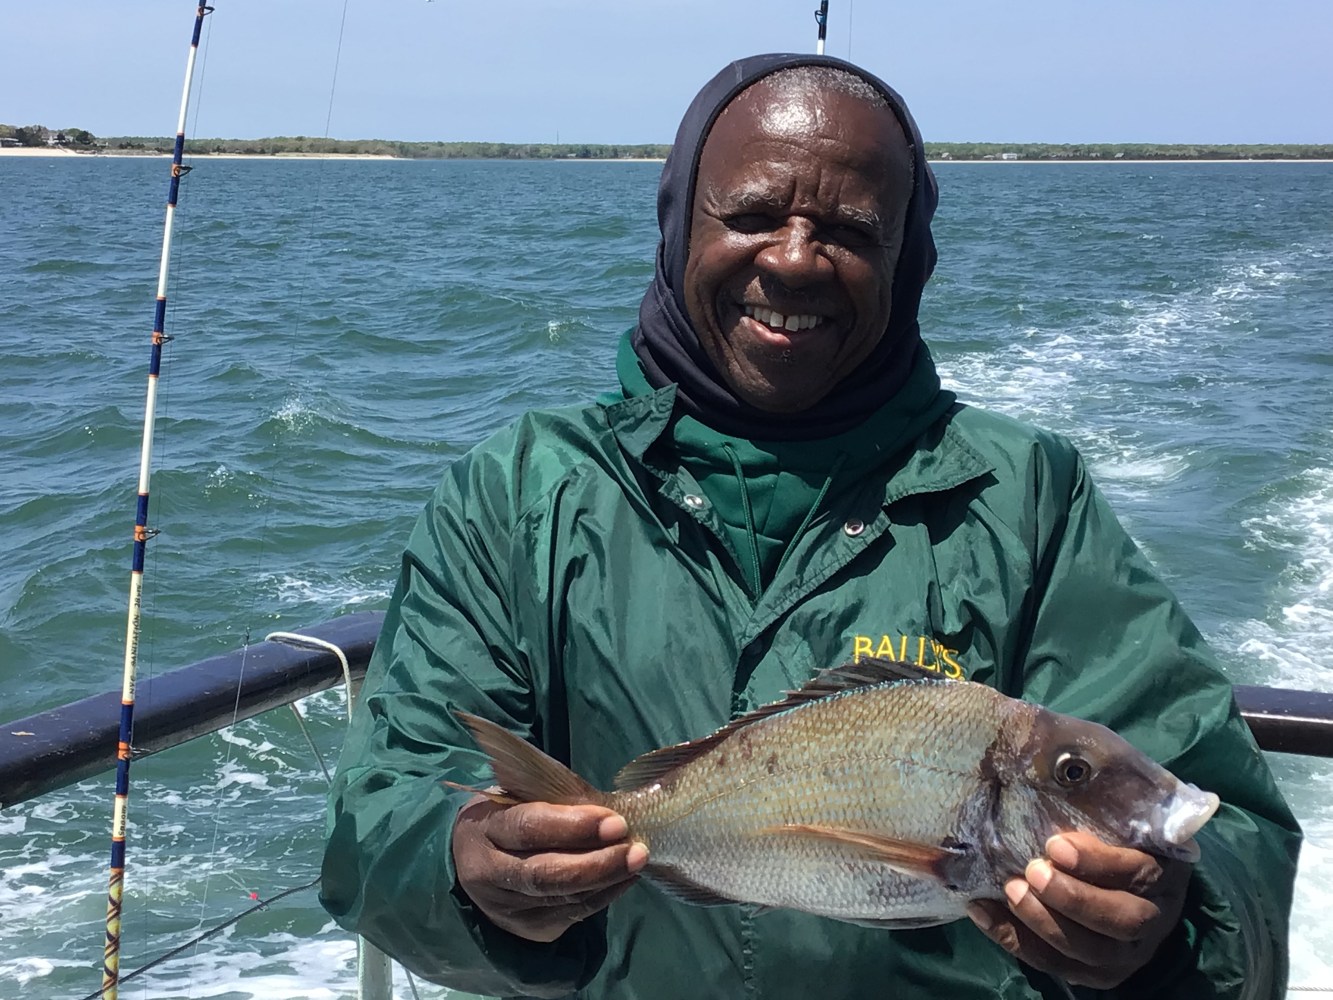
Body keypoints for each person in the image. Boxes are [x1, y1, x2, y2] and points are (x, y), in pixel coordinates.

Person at [320, 53, 1299, 999]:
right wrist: (463, 865)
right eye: (749, 215)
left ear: (905, 259)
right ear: (676, 227)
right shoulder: (520, 490)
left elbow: (1222, 826)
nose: (792, 258)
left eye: (850, 228)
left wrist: (1170, 930)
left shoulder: (1028, 497)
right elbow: (383, 814)